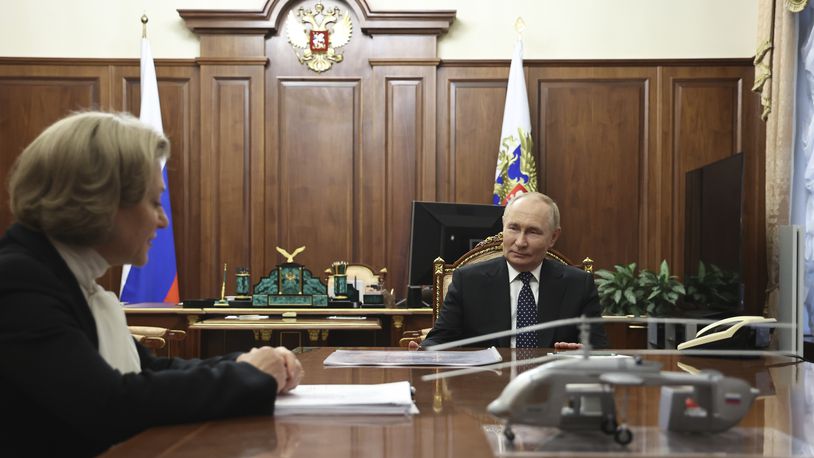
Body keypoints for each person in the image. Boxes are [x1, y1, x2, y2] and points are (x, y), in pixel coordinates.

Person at [0, 111, 304, 457]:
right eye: (154, 202)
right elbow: (109, 404)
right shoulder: (17, 281)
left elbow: (149, 369)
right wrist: (249, 377)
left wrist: (246, 363)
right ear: (100, 201)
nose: (162, 220)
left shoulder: (59, 274)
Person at [415, 192, 608, 349]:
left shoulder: (578, 285)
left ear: (553, 237)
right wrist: (421, 353)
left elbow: (598, 349)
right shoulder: (468, 281)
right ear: (503, 227)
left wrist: (584, 353)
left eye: (533, 232)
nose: (520, 242)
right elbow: (439, 341)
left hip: (551, 388)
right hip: (483, 388)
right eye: (514, 228)